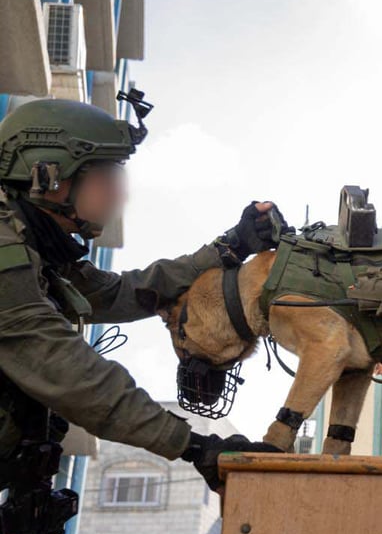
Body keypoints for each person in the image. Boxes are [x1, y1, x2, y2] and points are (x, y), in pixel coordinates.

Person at [0, 96, 283, 498]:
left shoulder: (41, 250)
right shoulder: (6, 249)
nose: (119, 195)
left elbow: (120, 293)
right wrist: (191, 445)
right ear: (51, 176)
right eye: (107, 176)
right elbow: (61, 366)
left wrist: (230, 247)